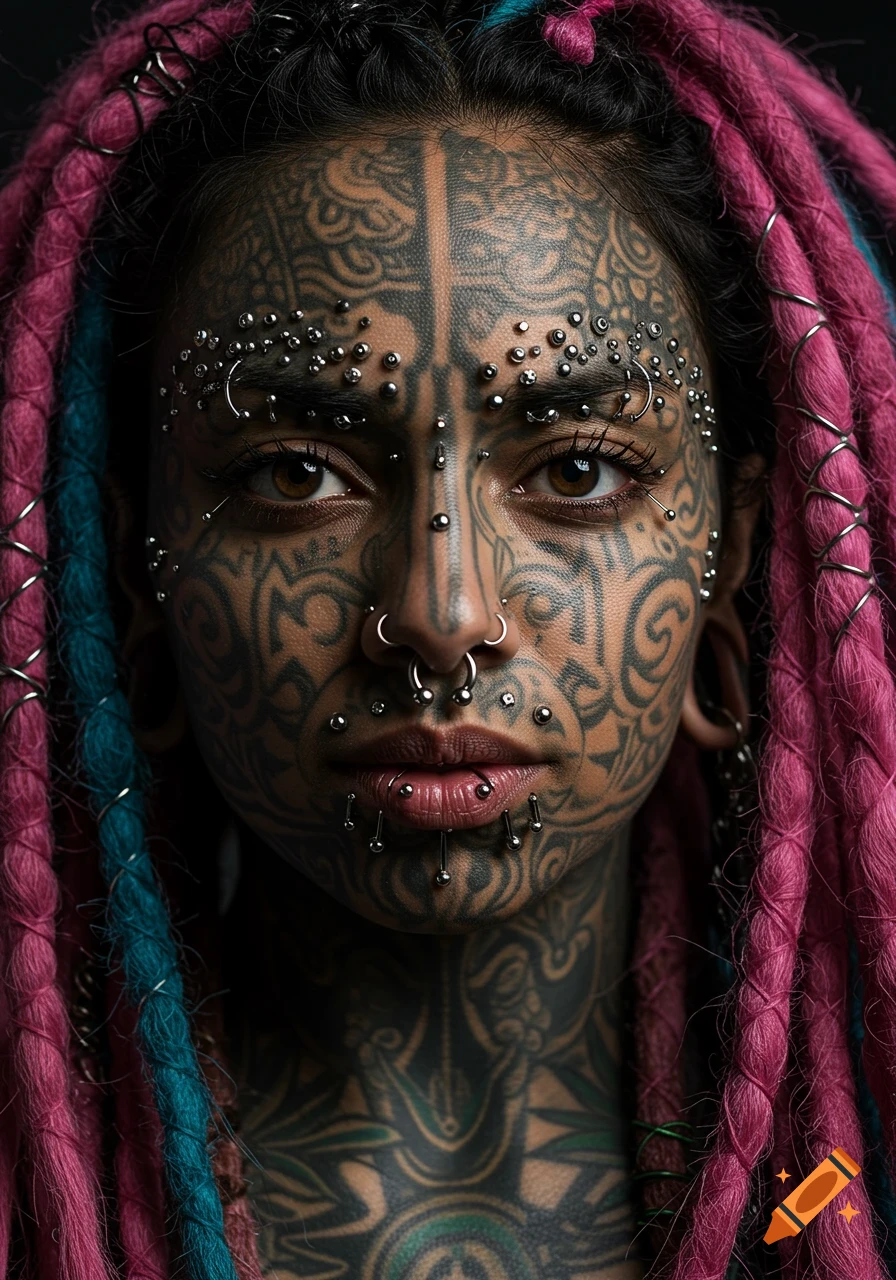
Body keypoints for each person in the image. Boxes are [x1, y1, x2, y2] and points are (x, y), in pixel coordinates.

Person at [2, 0, 896, 1277]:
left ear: (732, 553)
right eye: (296, 474)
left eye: (578, 469)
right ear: (136, 568)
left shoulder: (842, 1195)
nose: (439, 612)